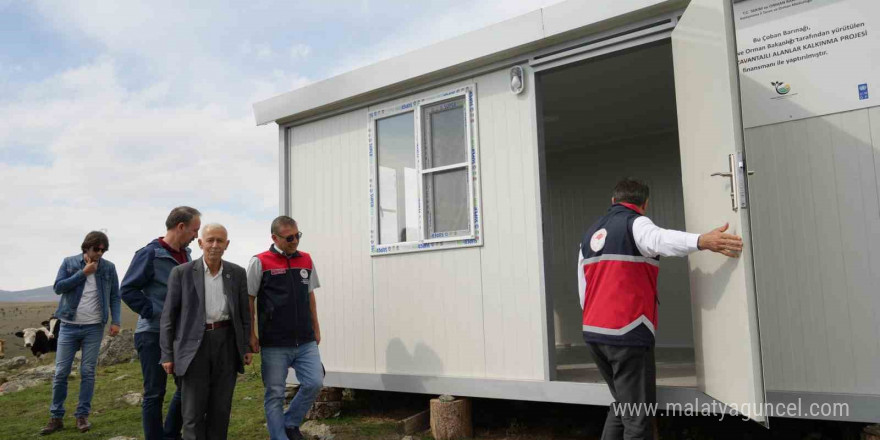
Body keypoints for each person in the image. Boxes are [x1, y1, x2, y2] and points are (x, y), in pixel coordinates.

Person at [577, 179, 743, 440]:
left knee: (623, 406)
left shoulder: (591, 233)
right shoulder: (637, 223)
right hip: (626, 332)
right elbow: (661, 239)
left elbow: (583, 289)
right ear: (644, 203)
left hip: (594, 334)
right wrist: (703, 241)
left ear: (613, 201)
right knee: (637, 417)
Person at [159, 223, 252, 440]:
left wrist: (246, 345)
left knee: (220, 411)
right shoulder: (181, 273)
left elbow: (244, 314)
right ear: (201, 243)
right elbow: (168, 317)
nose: (214, 245)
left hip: (226, 344)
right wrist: (167, 354)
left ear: (227, 245)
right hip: (193, 348)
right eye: (210, 240)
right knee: (192, 413)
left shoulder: (237, 273)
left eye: (220, 240)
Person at [121, 206, 201, 440]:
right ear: (181, 227)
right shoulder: (149, 254)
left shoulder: (186, 255)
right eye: (194, 230)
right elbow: (127, 289)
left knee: (187, 387)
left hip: (181, 334)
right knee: (155, 392)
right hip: (152, 333)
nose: (196, 235)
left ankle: (170, 434)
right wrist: (156, 313)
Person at [247, 216, 323, 440]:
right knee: (275, 394)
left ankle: (290, 422)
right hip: (274, 343)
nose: (295, 241)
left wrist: (316, 327)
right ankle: (279, 437)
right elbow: (248, 299)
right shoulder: (259, 262)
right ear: (274, 238)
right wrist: (251, 333)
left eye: (297, 235)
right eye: (289, 237)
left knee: (314, 382)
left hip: (305, 340)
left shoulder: (306, 260)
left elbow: (310, 296)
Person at [41, 231, 121, 435]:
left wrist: (116, 321)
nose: (100, 253)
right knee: (60, 373)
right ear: (86, 248)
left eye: (103, 250)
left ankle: (82, 415)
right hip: (68, 325)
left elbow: (114, 295)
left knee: (87, 372)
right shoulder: (69, 262)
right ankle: (56, 417)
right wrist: (83, 273)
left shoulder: (109, 268)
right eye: (97, 249)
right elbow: (58, 288)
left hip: (94, 327)